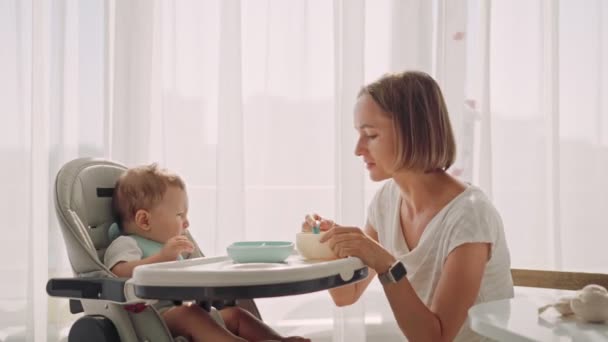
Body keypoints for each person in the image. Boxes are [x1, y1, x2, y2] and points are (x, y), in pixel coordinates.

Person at [302, 71, 513, 341]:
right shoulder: (387, 201)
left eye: (370, 135)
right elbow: (347, 294)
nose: (358, 148)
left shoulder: (470, 215)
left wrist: (386, 264)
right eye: (359, 134)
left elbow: (434, 339)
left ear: (413, 133)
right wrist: (329, 244)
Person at [105, 164, 309, 342]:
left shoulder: (169, 247)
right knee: (189, 314)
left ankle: (278, 340)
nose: (186, 223)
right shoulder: (128, 243)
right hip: (151, 318)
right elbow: (118, 272)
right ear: (144, 221)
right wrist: (162, 258)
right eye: (179, 214)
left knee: (236, 314)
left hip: (185, 311)